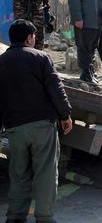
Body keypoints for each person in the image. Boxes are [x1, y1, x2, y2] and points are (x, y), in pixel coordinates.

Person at [0, 19, 73, 223]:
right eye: (33, 36)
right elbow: (56, 89)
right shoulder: (41, 57)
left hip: (14, 128)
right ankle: (44, 218)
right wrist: (65, 115)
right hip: (42, 126)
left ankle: (15, 217)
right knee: (46, 174)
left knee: (18, 174)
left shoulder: (2, 62)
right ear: (29, 38)